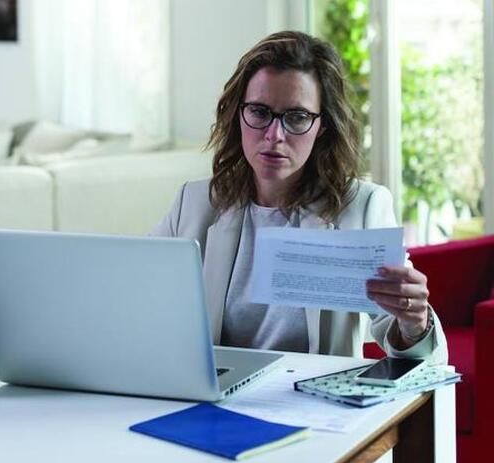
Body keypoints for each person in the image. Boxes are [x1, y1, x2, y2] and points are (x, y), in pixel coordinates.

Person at [152, 31, 447, 365]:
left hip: (315, 407)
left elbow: (417, 353)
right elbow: (137, 297)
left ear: (322, 127)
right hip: (214, 403)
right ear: (238, 113)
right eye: (260, 112)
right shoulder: (194, 204)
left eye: (296, 117)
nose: (274, 135)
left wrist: (414, 323)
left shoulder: (361, 208)